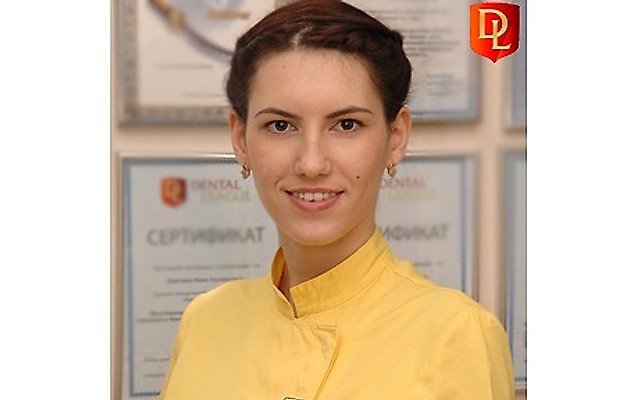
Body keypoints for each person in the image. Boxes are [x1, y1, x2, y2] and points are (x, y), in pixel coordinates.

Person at [158, 1, 515, 399]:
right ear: (240, 139)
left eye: (346, 124)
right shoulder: (205, 321)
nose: (311, 163)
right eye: (280, 125)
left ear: (396, 137)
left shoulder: (456, 336)